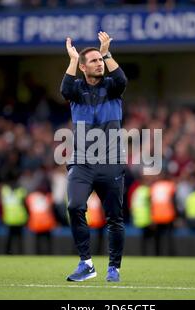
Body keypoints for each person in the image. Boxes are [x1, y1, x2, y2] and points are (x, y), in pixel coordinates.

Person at [60, 31, 128, 282]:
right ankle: (86, 263)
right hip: (82, 161)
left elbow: (121, 78)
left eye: (101, 60)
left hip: (111, 161)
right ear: (83, 67)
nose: (99, 63)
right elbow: (64, 88)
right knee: (75, 206)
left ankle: (114, 268)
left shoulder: (112, 87)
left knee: (114, 218)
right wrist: (72, 60)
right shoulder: (76, 89)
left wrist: (107, 51)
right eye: (94, 60)